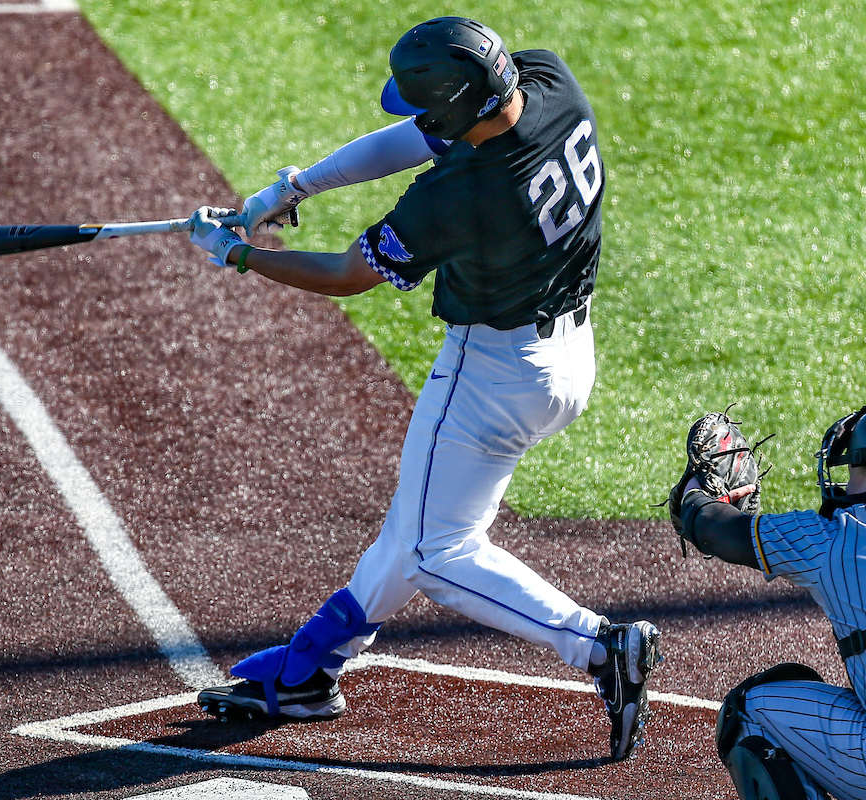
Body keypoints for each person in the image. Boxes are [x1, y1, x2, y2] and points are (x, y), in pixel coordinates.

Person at [186, 16, 662, 761]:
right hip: (567, 356)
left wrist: (241, 255)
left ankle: (601, 647)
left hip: (492, 378)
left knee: (438, 551)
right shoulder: (549, 84)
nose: (417, 121)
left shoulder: (465, 196)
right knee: (415, 526)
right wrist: (293, 185)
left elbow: (347, 276)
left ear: (456, 107)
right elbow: (422, 137)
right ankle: (313, 667)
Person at [674, 406, 866, 800]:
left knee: (749, 709)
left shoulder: (830, 540)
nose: (846, 486)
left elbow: (716, 529)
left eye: (854, 472)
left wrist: (695, 491)